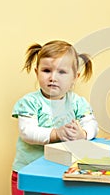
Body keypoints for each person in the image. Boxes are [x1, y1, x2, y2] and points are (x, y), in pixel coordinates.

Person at [11, 40, 99, 195]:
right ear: (36, 72)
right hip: (30, 172)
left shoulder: (77, 102)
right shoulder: (30, 102)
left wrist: (83, 134)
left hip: (62, 172)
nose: (53, 77)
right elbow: (27, 132)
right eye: (46, 70)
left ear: (75, 77)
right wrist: (56, 134)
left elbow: (91, 124)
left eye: (61, 72)